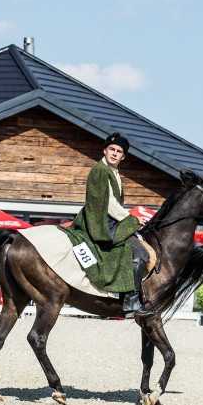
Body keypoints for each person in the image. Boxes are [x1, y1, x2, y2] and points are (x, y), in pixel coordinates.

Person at [62, 133, 154, 318]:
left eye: (119, 151)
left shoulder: (113, 173)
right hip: (101, 223)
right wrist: (132, 219)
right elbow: (109, 204)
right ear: (104, 150)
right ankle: (131, 302)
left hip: (110, 219)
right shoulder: (100, 170)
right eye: (111, 149)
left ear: (123, 156)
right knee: (141, 254)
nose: (114, 153)